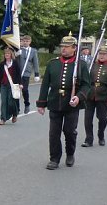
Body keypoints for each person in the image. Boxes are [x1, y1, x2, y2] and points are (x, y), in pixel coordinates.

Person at [36, 34, 91, 170]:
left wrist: (78, 97)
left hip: (71, 105)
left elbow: (86, 85)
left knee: (69, 131)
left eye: (66, 47)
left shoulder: (81, 65)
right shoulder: (53, 64)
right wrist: (41, 103)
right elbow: (45, 84)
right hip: (55, 102)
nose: (64, 49)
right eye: (62, 47)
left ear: (74, 48)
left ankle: (70, 153)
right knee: (54, 133)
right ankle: (54, 158)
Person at [81, 46, 107, 147]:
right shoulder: (92, 65)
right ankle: (89, 139)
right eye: (100, 54)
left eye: (104, 54)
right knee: (88, 118)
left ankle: (101, 135)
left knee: (103, 118)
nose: (102, 56)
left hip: (103, 95)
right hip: (90, 94)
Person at [0, 47, 21, 125]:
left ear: (11, 54)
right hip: (4, 85)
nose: (7, 55)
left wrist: (20, 84)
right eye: (5, 54)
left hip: (13, 85)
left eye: (8, 54)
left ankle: (15, 114)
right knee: (4, 102)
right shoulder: (2, 64)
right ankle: (3, 118)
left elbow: (18, 74)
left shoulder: (15, 63)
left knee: (11, 102)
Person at [17, 34, 40, 114]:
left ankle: (27, 104)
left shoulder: (33, 51)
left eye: (27, 41)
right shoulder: (18, 49)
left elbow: (35, 63)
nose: (25, 42)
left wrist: (36, 74)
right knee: (16, 91)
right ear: (22, 41)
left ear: (30, 42)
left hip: (26, 73)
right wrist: (16, 54)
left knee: (24, 89)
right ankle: (17, 108)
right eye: (24, 41)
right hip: (17, 73)